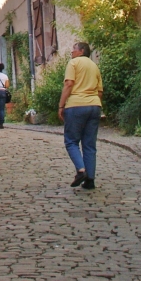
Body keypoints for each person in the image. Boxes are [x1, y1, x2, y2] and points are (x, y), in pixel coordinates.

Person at [58, 40, 103, 189]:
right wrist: (94, 103)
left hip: (76, 105)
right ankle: (90, 180)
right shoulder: (94, 66)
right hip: (94, 105)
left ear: (82, 51)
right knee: (89, 144)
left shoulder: (74, 63)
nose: (72, 51)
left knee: (71, 141)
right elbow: (100, 91)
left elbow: (69, 84)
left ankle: (81, 170)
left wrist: (61, 105)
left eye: (74, 48)